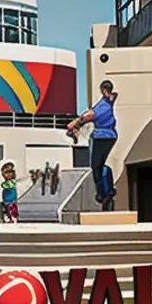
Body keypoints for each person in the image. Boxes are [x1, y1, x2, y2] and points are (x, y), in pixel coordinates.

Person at [67, 79, 119, 209]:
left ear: (102, 90)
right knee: (101, 164)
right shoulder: (110, 100)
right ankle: (107, 191)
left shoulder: (101, 106)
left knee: (96, 167)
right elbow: (114, 95)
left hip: (101, 136)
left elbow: (89, 116)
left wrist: (75, 124)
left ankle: (103, 193)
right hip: (112, 136)